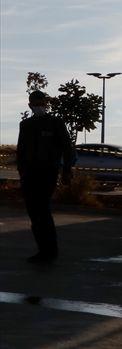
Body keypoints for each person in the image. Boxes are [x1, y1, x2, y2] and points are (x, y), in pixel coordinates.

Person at [17, 90, 75, 263]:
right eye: (36, 105)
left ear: (46, 105)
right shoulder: (25, 125)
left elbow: (67, 147)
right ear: (30, 105)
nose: (39, 107)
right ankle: (43, 250)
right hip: (29, 175)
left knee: (42, 210)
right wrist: (21, 169)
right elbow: (21, 149)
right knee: (34, 212)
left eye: (42, 104)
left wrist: (67, 169)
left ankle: (50, 249)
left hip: (47, 173)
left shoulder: (55, 123)